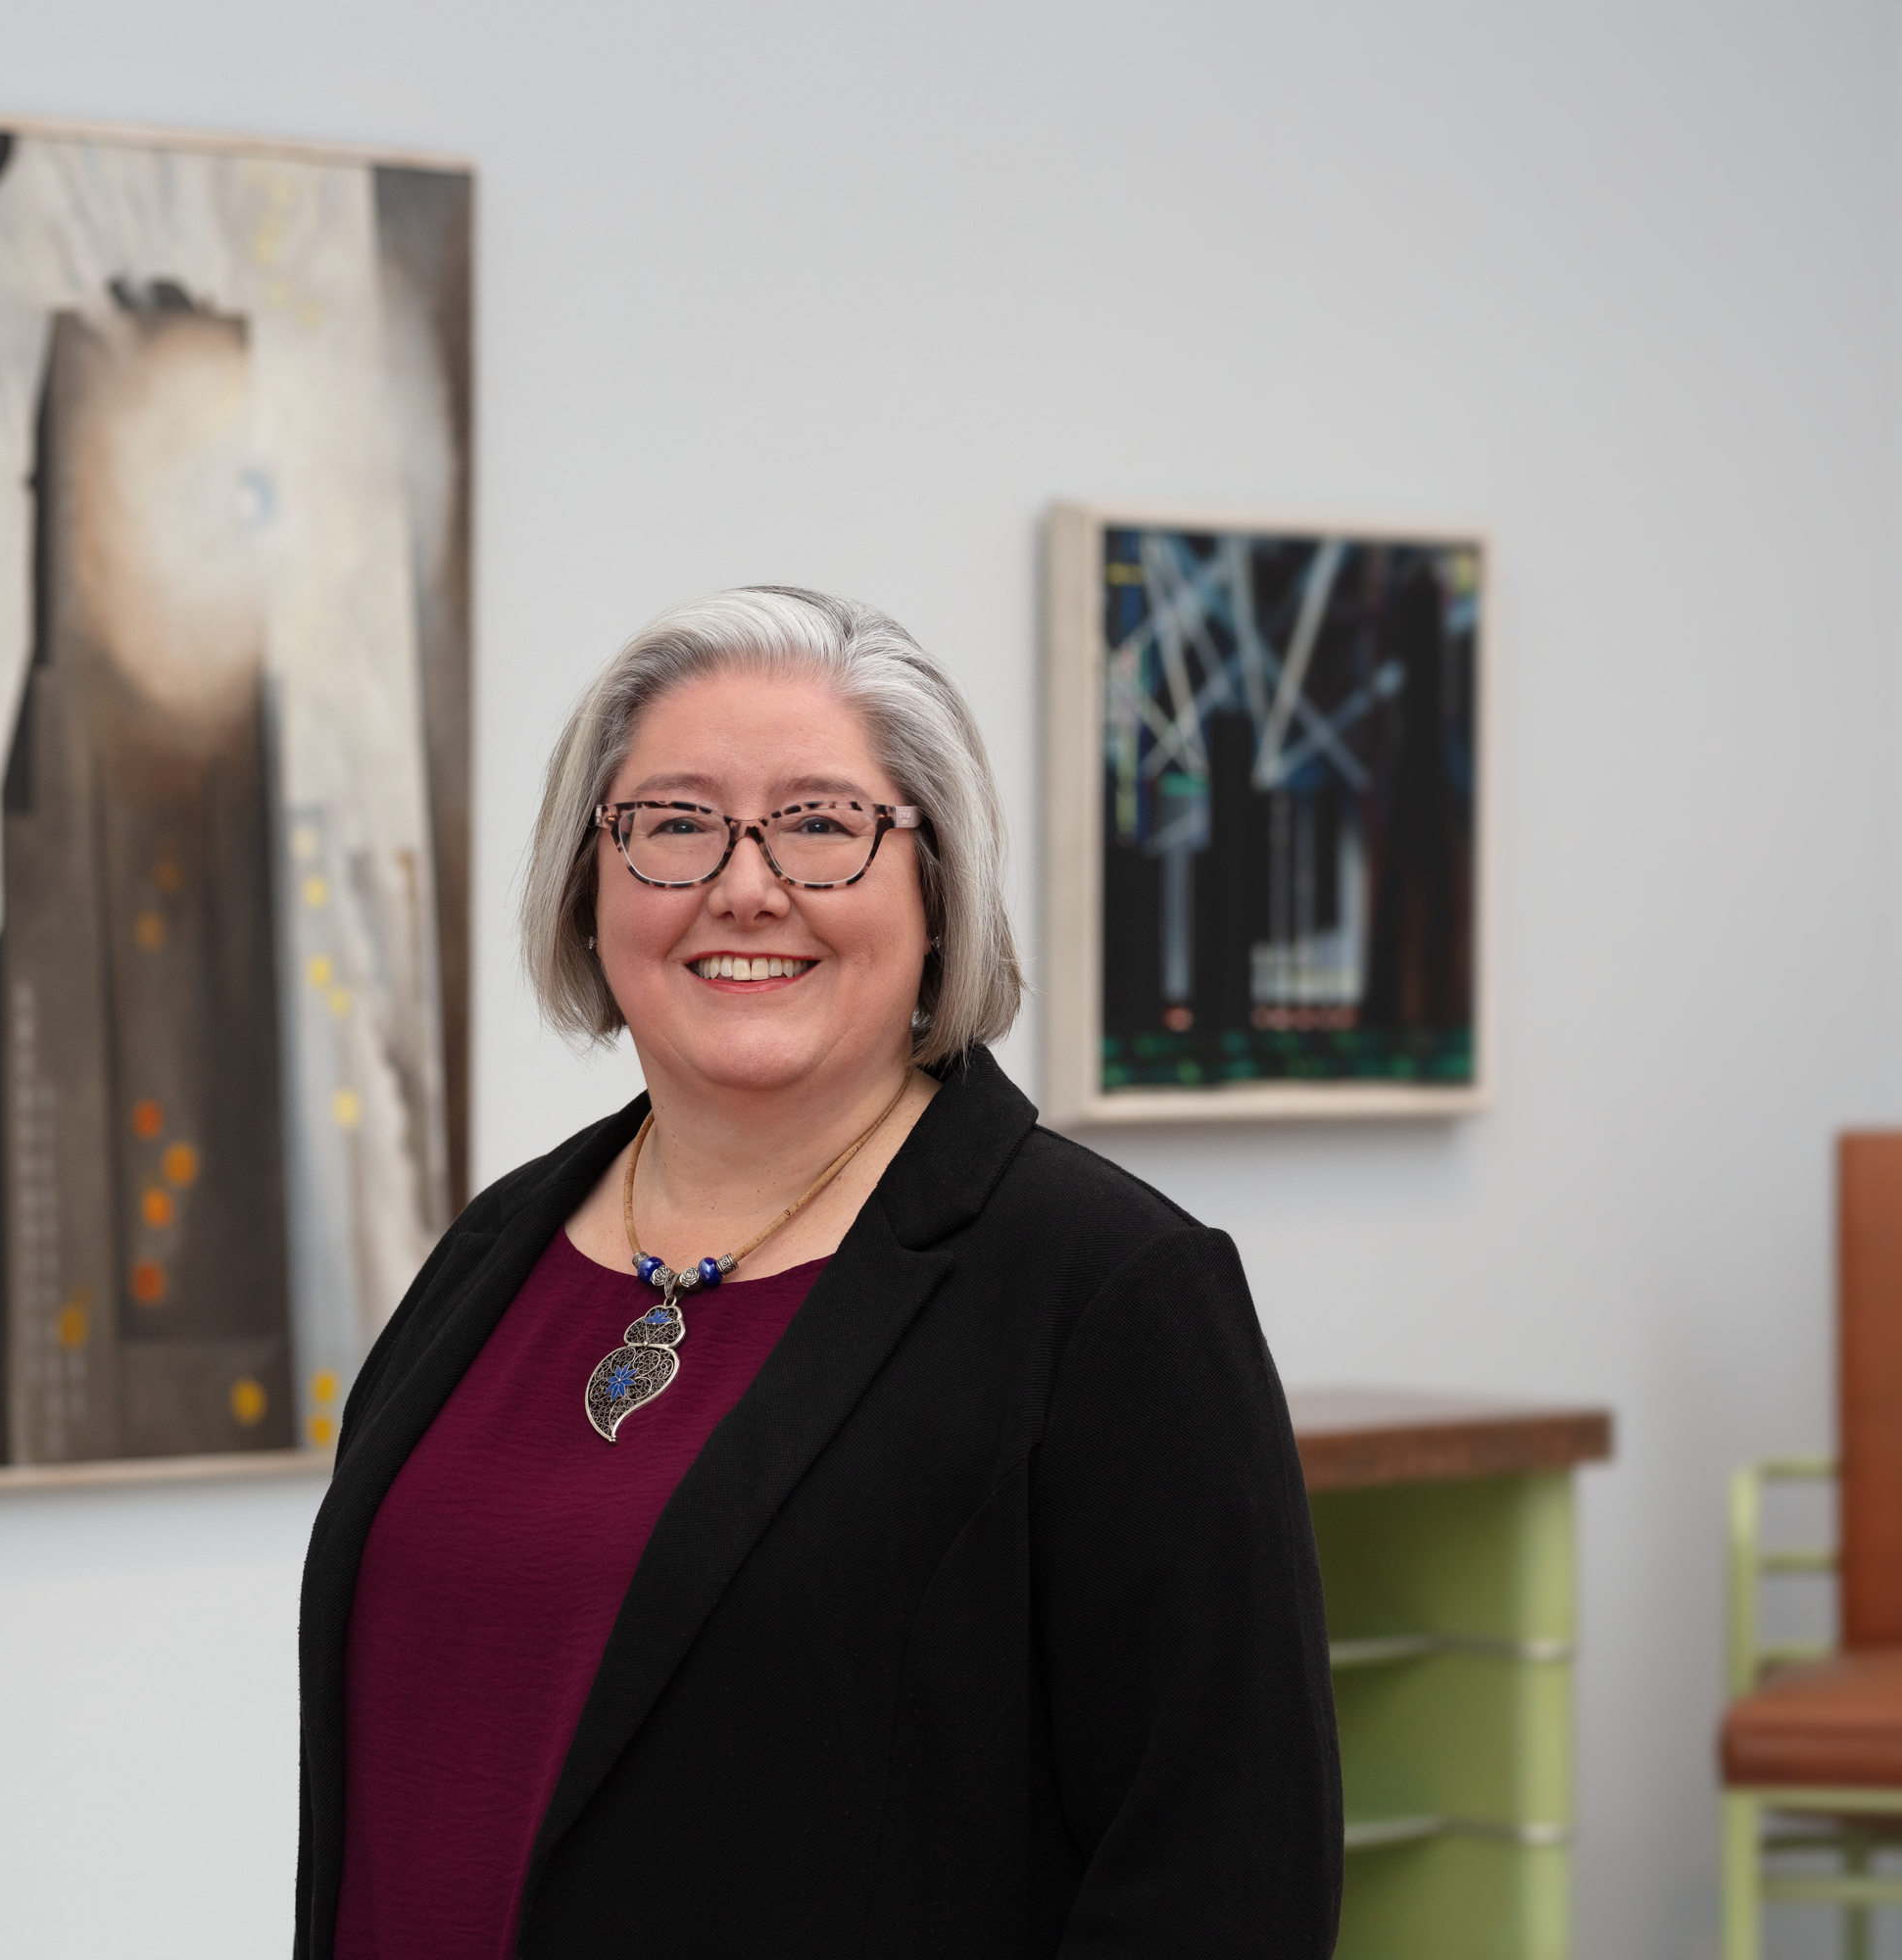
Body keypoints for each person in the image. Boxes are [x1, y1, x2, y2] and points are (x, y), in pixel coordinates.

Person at [295, 587, 1341, 1957]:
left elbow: (1226, 1887)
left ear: (936, 887)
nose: (744, 884)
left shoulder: (1107, 1297)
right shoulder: (494, 1254)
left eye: (821, 826)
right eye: (672, 823)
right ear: (590, 884)